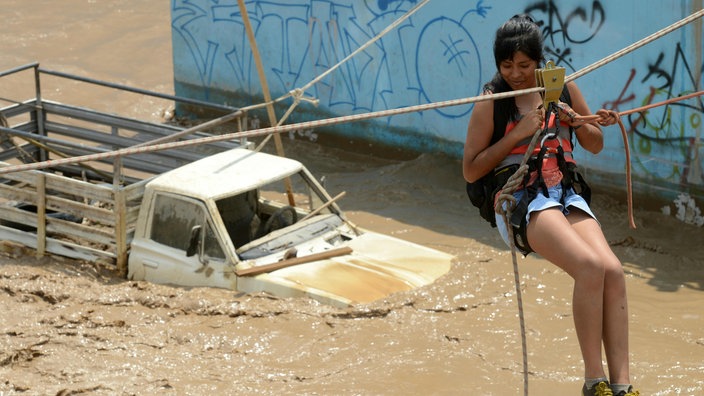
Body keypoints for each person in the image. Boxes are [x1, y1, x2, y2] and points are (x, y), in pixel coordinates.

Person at [462, 14, 639, 396]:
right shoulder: (492, 103)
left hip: (564, 192)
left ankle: (622, 386)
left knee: (613, 270)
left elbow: (593, 144)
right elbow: (472, 170)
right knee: (590, 267)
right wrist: (520, 133)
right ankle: (594, 382)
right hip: (521, 200)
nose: (515, 74)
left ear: (539, 62)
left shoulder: (562, 89)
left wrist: (581, 121)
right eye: (506, 65)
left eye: (524, 65)